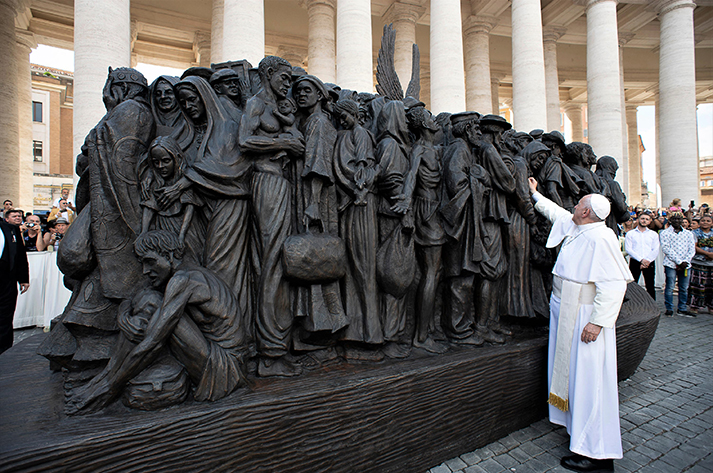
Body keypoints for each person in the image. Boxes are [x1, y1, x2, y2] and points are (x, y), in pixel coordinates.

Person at [66, 230, 248, 414]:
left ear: (168, 255)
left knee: (154, 304)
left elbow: (154, 342)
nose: (146, 270)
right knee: (150, 298)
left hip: (224, 369)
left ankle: (105, 383)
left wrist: (110, 387)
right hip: (215, 357)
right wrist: (123, 317)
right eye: (143, 263)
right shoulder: (182, 273)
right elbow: (135, 296)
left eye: (150, 261)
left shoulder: (182, 281)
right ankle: (104, 377)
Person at [528, 177, 633, 473]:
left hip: (585, 316)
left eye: (578, 204)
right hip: (568, 310)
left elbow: (613, 286)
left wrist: (597, 323)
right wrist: (534, 194)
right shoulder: (578, 227)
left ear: (586, 211)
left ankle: (596, 453)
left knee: (589, 381)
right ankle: (578, 435)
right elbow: (557, 213)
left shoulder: (602, 238)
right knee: (574, 375)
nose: (573, 206)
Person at [0, 218, 30, 354]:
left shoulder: (10, 228)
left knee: (5, 317)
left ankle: (4, 353)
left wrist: (23, 278)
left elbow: (20, 254)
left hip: (6, 280)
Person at [659, 211, 696, 316]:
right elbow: (666, 248)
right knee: (670, 287)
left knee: (684, 287)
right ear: (670, 220)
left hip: (686, 264)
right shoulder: (665, 233)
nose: (676, 221)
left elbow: (691, 249)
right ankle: (669, 307)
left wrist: (686, 261)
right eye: (674, 219)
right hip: (671, 263)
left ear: (682, 220)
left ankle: (682, 307)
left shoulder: (688, 234)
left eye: (679, 219)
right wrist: (679, 261)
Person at [625, 211, 659, 300]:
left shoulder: (653, 234)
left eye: (647, 219)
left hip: (649, 261)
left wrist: (647, 260)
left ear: (650, 221)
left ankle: (652, 305)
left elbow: (655, 249)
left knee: (650, 284)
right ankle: (632, 303)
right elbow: (628, 249)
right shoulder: (631, 233)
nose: (644, 221)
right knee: (633, 284)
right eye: (642, 218)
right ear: (638, 220)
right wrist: (641, 260)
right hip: (635, 261)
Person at [687, 215, 713, 314]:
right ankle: (695, 306)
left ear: (712, 223)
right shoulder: (694, 233)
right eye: (703, 220)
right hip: (699, 262)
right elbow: (694, 246)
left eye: (708, 221)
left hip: (712, 263)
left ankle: (711, 306)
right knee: (697, 285)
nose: (705, 222)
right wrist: (707, 254)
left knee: (711, 286)